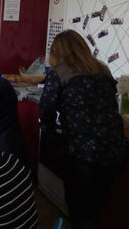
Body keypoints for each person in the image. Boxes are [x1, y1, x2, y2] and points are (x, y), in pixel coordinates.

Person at [39, 29, 126, 229]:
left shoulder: (59, 72)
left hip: (82, 151)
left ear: (57, 51)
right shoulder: (102, 69)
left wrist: (51, 139)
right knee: (97, 206)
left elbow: (47, 109)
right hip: (114, 148)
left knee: (79, 207)